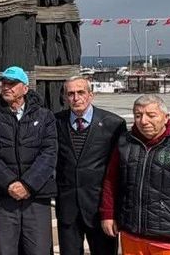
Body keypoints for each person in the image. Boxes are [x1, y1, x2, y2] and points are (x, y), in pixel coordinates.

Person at [100, 95, 170, 255]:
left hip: (168, 239)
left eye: (151, 115)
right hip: (131, 234)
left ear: (166, 117)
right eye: (138, 116)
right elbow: (111, 182)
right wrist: (107, 214)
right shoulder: (125, 143)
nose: (143, 121)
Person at [0, 66, 57, 255]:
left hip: (36, 196)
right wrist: (10, 183)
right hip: (3, 196)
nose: (6, 87)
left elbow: (49, 153)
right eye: (4, 83)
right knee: (5, 250)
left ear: (25, 88)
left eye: (12, 84)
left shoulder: (45, 117)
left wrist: (28, 184)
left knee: (39, 249)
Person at [54, 76, 125, 255]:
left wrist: (114, 211)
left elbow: (119, 170)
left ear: (91, 95)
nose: (76, 98)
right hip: (68, 209)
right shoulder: (55, 122)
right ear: (64, 97)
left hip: (100, 210)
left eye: (81, 92)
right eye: (70, 94)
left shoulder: (113, 124)